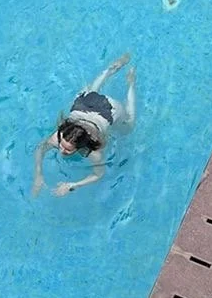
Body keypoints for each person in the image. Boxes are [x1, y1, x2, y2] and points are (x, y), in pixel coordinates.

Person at [32, 54, 136, 197]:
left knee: (129, 127)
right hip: (84, 103)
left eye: (68, 150)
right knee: (90, 93)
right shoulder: (59, 136)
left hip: (108, 110)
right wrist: (38, 175)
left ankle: (131, 84)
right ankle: (111, 69)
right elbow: (40, 148)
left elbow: (98, 174)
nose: (61, 150)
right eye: (62, 145)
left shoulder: (93, 152)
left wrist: (73, 185)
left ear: (82, 146)